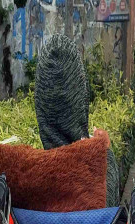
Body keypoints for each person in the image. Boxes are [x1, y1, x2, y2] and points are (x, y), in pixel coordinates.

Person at [34, 34, 119, 207]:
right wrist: (104, 151)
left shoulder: (26, 176)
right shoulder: (99, 174)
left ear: (40, 104)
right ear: (82, 99)